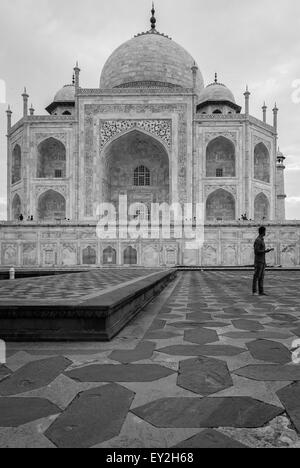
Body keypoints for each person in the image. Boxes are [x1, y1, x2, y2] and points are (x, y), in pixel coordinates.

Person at [252, 226, 274, 296]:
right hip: (258, 261)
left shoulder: (261, 240)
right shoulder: (258, 240)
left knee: (261, 277)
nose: (265, 233)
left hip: (262, 261)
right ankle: (254, 291)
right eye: (265, 231)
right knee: (256, 276)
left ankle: (261, 291)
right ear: (263, 232)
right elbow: (256, 251)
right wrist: (266, 251)